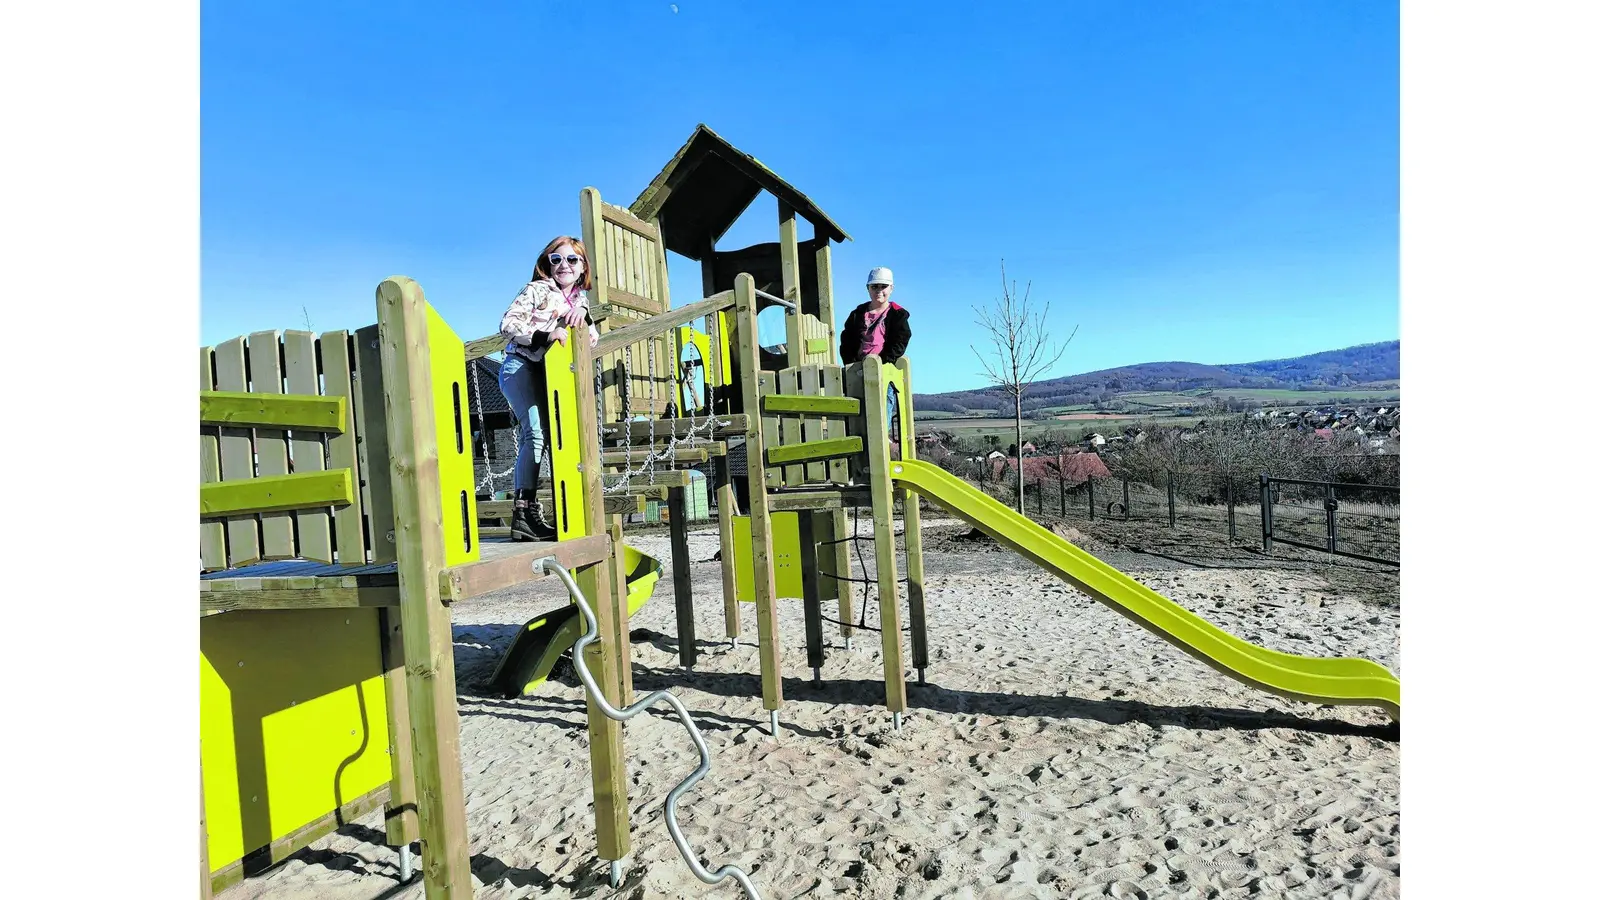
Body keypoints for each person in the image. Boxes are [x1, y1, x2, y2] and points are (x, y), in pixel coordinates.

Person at [497, 235, 600, 541]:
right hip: (521, 366)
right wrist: (546, 333)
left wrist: (585, 317)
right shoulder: (537, 290)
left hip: (552, 376)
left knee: (563, 438)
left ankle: (567, 510)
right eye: (556, 259)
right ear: (547, 264)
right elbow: (508, 324)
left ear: (582, 267)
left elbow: (591, 340)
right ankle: (523, 512)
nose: (564, 265)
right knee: (537, 436)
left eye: (572, 260)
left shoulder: (581, 301)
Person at [838, 266, 911, 365]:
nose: (879, 290)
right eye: (874, 286)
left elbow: (899, 342)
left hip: (884, 369)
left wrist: (883, 363)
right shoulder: (857, 314)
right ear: (868, 288)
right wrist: (851, 363)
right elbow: (846, 341)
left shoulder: (897, 315)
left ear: (891, 288)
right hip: (856, 369)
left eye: (883, 286)